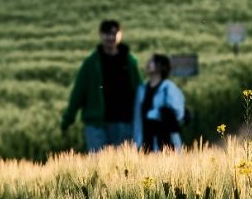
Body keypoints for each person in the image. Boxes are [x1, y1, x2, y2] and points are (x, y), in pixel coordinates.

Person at [60, 20, 142, 152]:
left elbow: (139, 90)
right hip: (97, 123)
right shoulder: (91, 63)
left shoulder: (130, 61)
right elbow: (78, 93)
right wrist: (67, 119)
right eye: (107, 33)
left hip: (124, 121)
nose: (111, 37)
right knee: (97, 165)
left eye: (114, 33)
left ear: (120, 34)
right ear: (100, 35)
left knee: (122, 167)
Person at [133, 54, 186, 152]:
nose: (148, 64)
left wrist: (155, 114)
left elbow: (179, 113)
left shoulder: (168, 88)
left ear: (161, 66)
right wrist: (136, 141)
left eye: (152, 61)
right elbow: (138, 117)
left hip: (166, 140)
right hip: (146, 139)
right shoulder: (142, 89)